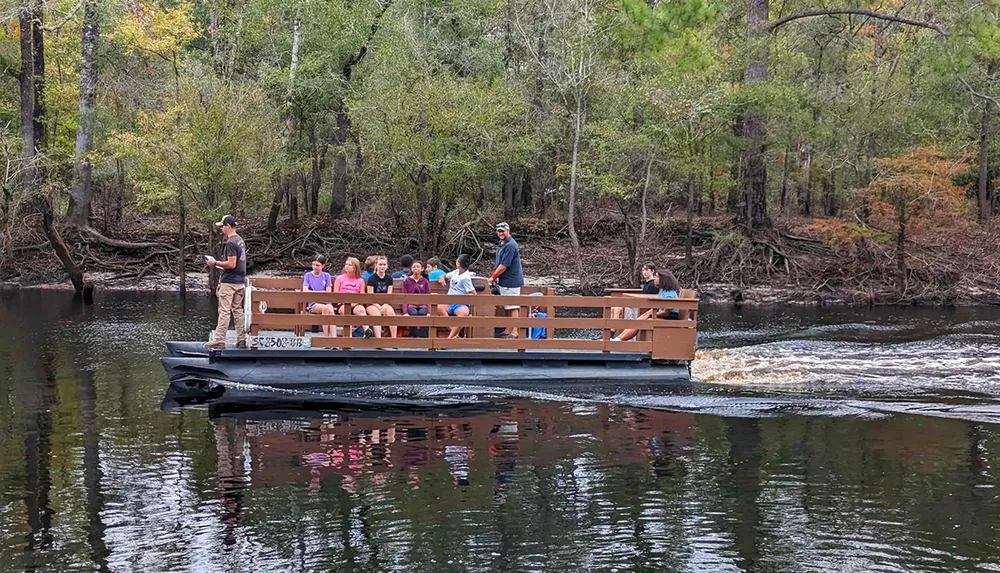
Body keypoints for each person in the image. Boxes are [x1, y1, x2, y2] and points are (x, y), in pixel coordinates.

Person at [205, 215, 247, 349]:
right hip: (240, 281)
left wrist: (215, 263)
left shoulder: (230, 243)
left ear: (228, 226)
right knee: (238, 310)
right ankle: (241, 339)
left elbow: (231, 264)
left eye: (222, 226)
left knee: (224, 311)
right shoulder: (240, 240)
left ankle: (219, 340)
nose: (222, 228)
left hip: (229, 282)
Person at [612, 270, 681, 342]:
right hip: (664, 315)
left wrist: (651, 314)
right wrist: (647, 313)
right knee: (639, 319)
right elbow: (657, 307)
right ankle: (618, 338)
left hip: (670, 317)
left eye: (657, 276)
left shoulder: (669, 294)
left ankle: (620, 339)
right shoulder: (662, 291)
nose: (655, 278)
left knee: (641, 321)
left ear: (663, 279)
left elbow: (666, 312)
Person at [490, 222, 524, 338]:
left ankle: (515, 331)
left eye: (502, 231)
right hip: (504, 280)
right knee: (507, 306)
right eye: (499, 231)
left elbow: (504, 265)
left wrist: (492, 277)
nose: (500, 233)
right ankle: (507, 330)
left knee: (513, 306)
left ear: (508, 231)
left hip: (512, 281)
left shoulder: (510, 245)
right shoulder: (502, 244)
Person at [610, 263, 658, 334]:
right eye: (643, 270)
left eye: (646, 270)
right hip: (641, 305)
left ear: (652, 271)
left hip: (645, 308)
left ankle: (611, 334)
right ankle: (610, 330)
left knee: (617, 309)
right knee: (613, 308)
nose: (644, 272)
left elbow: (651, 299)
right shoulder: (646, 284)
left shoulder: (653, 284)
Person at [437, 253, 476, 339]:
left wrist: (464, 298)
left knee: (463, 314)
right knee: (439, 308)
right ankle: (454, 333)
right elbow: (444, 275)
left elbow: (473, 293)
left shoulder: (466, 278)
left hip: (461, 304)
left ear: (458, 263)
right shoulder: (456, 272)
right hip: (449, 302)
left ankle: (450, 338)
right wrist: (442, 277)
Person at [334, 257, 371, 337]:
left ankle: (366, 330)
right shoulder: (339, 278)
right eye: (346, 264)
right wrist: (346, 302)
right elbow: (335, 295)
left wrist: (354, 303)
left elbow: (362, 296)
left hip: (355, 303)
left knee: (361, 309)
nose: (347, 266)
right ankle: (349, 336)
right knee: (345, 311)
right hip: (342, 304)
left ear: (355, 267)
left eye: (349, 265)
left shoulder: (360, 281)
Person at [302, 254, 336, 338]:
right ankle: (326, 337)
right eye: (313, 264)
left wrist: (318, 292)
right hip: (314, 303)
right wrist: (320, 292)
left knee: (330, 310)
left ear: (323, 266)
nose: (315, 267)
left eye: (317, 265)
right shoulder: (308, 276)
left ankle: (334, 339)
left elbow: (328, 291)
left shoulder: (326, 276)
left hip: (326, 301)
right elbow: (305, 290)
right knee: (325, 308)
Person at [365, 255, 397, 339]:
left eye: (384, 264)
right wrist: (379, 307)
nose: (382, 266)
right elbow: (370, 296)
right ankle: (378, 339)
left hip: (385, 303)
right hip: (372, 304)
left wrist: (385, 305)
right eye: (380, 264)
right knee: (377, 314)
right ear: (376, 265)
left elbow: (389, 295)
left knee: (391, 313)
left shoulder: (389, 279)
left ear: (387, 266)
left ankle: (394, 339)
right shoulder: (372, 279)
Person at [401, 259, 431, 338]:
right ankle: (413, 336)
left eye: (418, 267)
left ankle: (423, 337)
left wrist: (429, 312)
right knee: (413, 314)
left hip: (423, 305)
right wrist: (405, 312)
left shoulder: (425, 281)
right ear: (411, 269)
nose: (416, 268)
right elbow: (403, 296)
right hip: (411, 305)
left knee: (423, 314)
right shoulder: (407, 281)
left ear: (422, 269)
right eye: (414, 267)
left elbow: (428, 297)